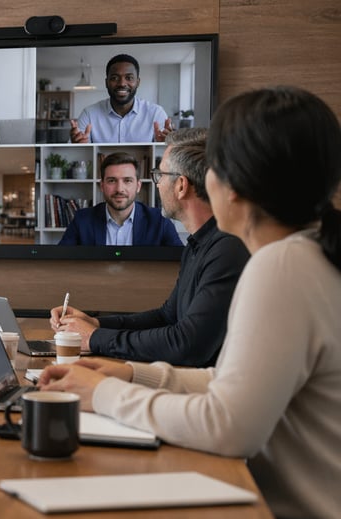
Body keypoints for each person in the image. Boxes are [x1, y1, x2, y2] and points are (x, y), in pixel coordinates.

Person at [40, 86, 341, 519]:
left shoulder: (282, 267)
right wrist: (129, 373)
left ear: (233, 183)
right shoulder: (303, 254)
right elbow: (229, 383)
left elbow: (227, 426)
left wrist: (104, 393)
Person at [50, 129, 249, 366]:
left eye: (160, 175)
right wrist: (96, 324)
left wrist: (94, 338)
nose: (158, 184)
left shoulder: (227, 248)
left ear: (181, 186)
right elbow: (167, 317)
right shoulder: (197, 244)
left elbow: (186, 344)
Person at [58, 152, 183, 246]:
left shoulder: (160, 221)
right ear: (102, 186)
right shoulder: (82, 220)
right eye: (112, 181)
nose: (119, 189)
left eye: (127, 181)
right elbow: (61, 261)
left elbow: (181, 262)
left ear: (138, 186)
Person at [70, 54, 173, 144]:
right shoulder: (89, 115)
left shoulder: (155, 113)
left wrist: (163, 146)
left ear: (138, 82)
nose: (122, 83)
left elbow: (165, 157)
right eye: (114, 78)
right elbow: (78, 155)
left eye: (129, 78)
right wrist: (77, 145)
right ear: (106, 82)